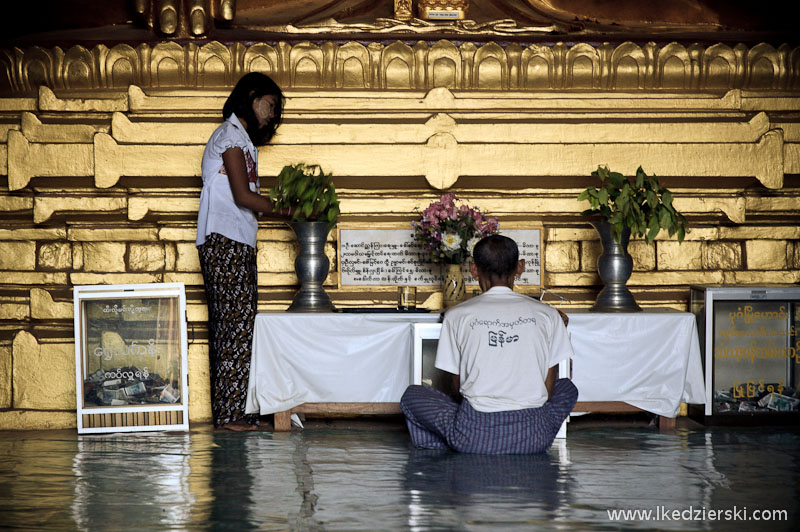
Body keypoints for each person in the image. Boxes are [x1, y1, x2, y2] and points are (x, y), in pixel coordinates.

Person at [400, 234, 578, 453]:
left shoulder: (457, 315)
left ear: (474, 270)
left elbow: (457, 389)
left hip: (474, 436)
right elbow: (549, 392)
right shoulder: (548, 315)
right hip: (534, 437)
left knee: (412, 396)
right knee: (568, 388)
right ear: (520, 267)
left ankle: (445, 447)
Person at [196, 73, 293, 431]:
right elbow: (243, 196)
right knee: (231, 328)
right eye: (269, 105)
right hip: (224, 240)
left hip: (237, 240)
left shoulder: (243, 140)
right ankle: (229, 416)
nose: (271, 116)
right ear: (250, 96)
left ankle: (238, 410)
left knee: (239, 328)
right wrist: (288, 211)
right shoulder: (229, 136)